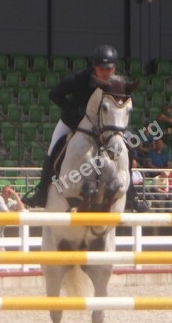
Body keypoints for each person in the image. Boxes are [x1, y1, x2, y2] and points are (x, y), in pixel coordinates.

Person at [24, 44, 147, 212]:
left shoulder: (117, 84)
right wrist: (76, 111)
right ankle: (41, 193)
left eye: (109, 68)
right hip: (74, 122)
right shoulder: (80, 79)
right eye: (101, 68)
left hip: (106, 126)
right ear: (94, 66)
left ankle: (132, 198)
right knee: (53, 150)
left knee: (125, 152)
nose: (105, 72)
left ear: (114, 67)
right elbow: (55, 94)